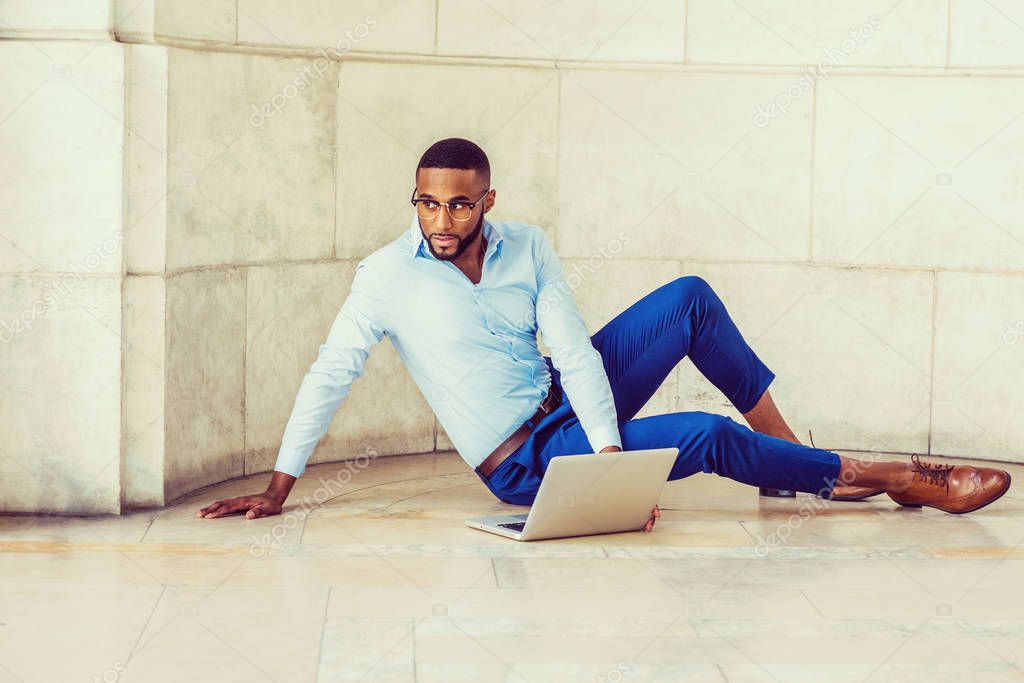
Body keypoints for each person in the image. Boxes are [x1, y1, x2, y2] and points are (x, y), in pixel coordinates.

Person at [197, 138, 1012, 525]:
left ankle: (784, 462)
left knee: (688, 298)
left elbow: (577, 352)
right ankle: (898, 475)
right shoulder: (385, 276)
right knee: (702, 433)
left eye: (458, 203)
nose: (439, 219)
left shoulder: (528, 246)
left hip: (567, 407)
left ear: (487, 200)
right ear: (413, 199)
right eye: (425, 201)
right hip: (523, 460)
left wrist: (613, 464)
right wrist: (280, 482)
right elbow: (329, 372)